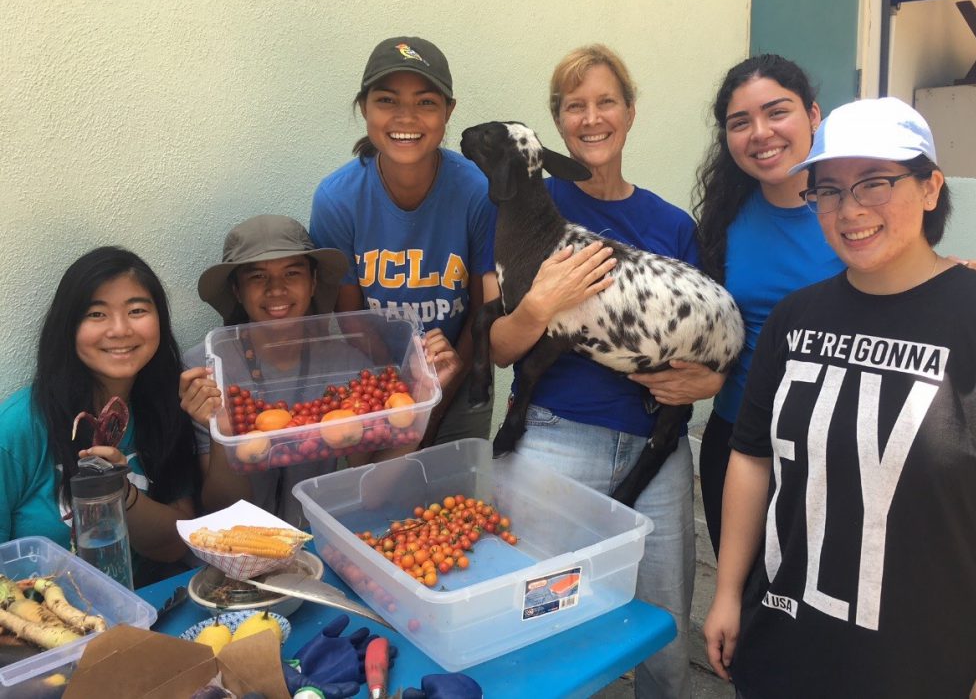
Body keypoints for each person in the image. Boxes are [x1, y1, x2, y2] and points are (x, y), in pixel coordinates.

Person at [702, 98, 976, 698]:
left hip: (926, 666)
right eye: (827, 190)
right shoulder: (793, 318)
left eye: (875, 183)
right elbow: (751, 457)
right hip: (785, 647)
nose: (849, 210)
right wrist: (727, 593)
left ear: (931, 188)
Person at [487, 44, 716, 699]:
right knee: (542, 631)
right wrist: (540, 306)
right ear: (559, 121)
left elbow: (697, 340)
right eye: (574, 105)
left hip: (655, 450)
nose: (592, 118)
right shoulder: (528, 211)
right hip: (555, 444)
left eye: (605, 101)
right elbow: (500, 346)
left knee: (663, 632)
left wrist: (696, 372)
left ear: (630, 112)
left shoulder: (672, 225)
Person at [180, 214, 455, 527]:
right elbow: (222, 506)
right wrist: (223, 430)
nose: (276, 290)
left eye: (292, 273)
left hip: (315, 541)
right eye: (257, 277)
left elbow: (370, 491)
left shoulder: (348, 363)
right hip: (237, 543)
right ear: (237, 290)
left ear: (312, 282)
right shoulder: (206, 373)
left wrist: (423, 401)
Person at [309, 36, 497, 461]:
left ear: (449, 111)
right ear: (364, 108)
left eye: (426, 102)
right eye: (387, 100)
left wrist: (439, 394)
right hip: (375, 381)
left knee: (454, 509)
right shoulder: (338, 198)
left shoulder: (477, 192)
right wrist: (408, 388)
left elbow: (482, 312)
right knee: (376, 508)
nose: (406, 117)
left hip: (460, 374)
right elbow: (350, 316)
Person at [692, 55, 843, 557]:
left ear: (814, 115)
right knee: (745, 610)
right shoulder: (722, 219)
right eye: (740, 122)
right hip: (738, 443)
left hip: (839, 447)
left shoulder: (857, 215)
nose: (761, 133)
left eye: (777, 112)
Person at [0, 247, 201, 586]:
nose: (120, 329)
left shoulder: (165, 405)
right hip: (42, 625)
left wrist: (118, 491)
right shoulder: (19, 427)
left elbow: (173, 545)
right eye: (96, 314)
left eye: (137, 310)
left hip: (145, 607)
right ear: (69, 326)